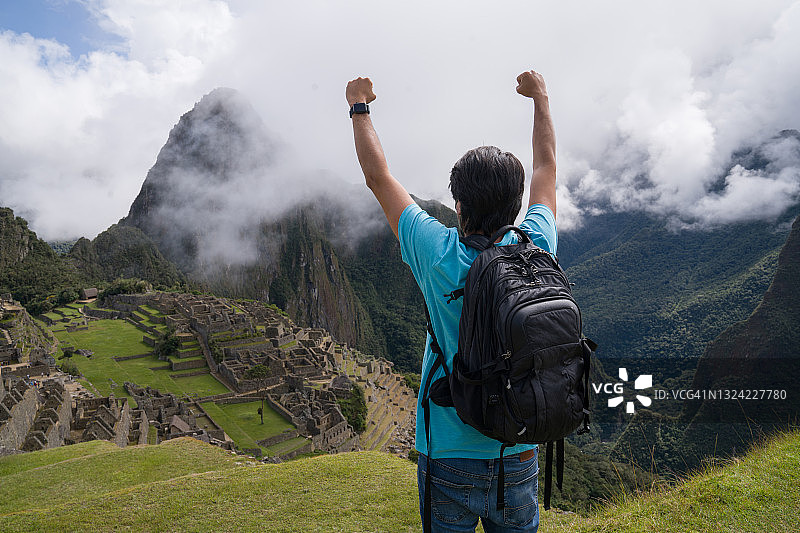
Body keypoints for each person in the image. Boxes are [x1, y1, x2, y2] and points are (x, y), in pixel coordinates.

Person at [346, 69, 558, 532]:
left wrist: (359, 106)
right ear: (517, 204)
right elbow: (546, 167)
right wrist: (540, 99)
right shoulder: (538, 246)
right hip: (518, 444)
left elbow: (377, 176)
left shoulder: (436, 252)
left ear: (458, 205)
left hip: (446, 453)